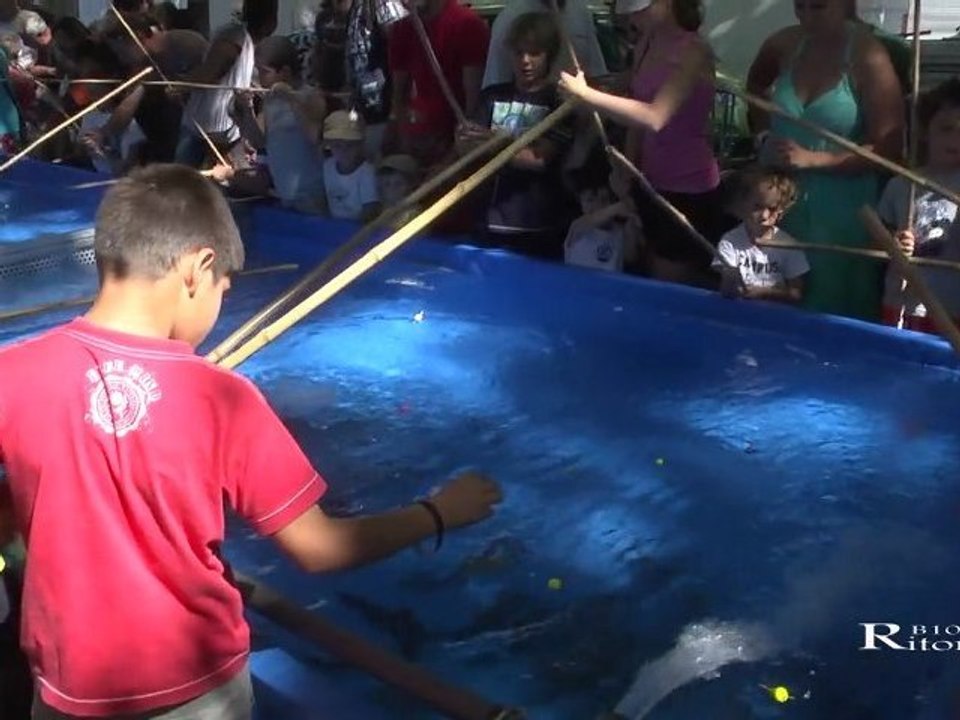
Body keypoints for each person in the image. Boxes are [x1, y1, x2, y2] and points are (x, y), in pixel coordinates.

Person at [0, 164, 502, 720]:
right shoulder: (221, 396)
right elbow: (320, 548)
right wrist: (439, 512)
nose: (217, 306)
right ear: (198, 267)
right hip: (196, 686)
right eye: (222, 289)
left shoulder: (12, 373)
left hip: (67, 689)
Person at [746, 0, 904, 321]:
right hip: (781, 207)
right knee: (774, 307)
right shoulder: (785, 43)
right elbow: (753, 88)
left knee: (834, 316)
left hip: (844, 213)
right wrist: (762, 135)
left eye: (818, 7)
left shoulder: (868, 56)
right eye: (799, 6)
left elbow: (890, 149)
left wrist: (816, 159)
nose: (806, 16)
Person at [559, 0, 732, 286]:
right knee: (641, 273)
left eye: (640, 9)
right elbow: (636, 112)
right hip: (648, 182)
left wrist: (587, 95)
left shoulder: (694, 52)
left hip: (687, 188)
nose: (633, 18)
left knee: (669, 284)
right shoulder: (646, 44)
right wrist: (626, 168)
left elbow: (655, 116)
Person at [460, 11, 574, 260]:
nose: (525, 61)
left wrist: (493, 142)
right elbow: (467, 149)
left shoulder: (560, 103)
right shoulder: (491, 95)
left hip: (537, 229)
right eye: (519, 52)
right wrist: (464, 140)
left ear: (549, 55)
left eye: (535, 53)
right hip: (487, 222)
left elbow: (538, 160)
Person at [877, 78, 960, 333]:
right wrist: (894, 243)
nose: (955, 139)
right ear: (925, 131)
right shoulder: (902, 184)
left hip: (951, 306)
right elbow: (879, 235)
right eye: (946, 129)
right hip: (903, 302)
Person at [175, 0, 278, 168]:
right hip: (205, 126)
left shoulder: (253, 44)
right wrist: (181, 85)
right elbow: (210, 72)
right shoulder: (234, 36)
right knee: (181, 183)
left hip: (226, 130)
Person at [386, 0, 490, 165]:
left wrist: (451, 159)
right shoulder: (403, 28)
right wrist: (404, 143)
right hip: (415, 142)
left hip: (451, 144)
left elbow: (474, 106)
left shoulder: (468, 25)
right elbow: (399, 96)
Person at [235, 35, 327, 213]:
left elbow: (314, 136)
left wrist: (291, 98)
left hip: (312, 193)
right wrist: (247, 110)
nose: (260, 79)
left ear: (284, 72)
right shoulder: (270, 101)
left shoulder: (311, 95)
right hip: (284, 193)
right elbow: (259, 142)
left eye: (264, 72)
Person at [713, 166, 809, 304]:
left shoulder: (789, 246)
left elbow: (796, 295)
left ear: (782, 210)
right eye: (757, 207)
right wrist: (730, 280)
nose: (764, 215)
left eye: (772, 209)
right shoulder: (730, 242)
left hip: (775, 317)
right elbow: (726, 292)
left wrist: (766, 293)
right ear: (743, 204)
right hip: (739, 313)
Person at [482, 0, 607, 90]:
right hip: (529, 118)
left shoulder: (581, 11)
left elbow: (596, 73)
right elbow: (496, 81)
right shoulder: (509, 17)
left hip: (576, 112)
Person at [564, 153, 644, 273]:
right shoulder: (577, 229)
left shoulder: (621, 232)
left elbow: (630, 257)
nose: (597, 206)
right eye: (590, 200)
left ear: (612, 200)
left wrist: (633, 222)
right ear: (580, 202)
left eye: (604, 199)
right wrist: (617, 208)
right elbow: (590, 221)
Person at [323, 109, 381, 221]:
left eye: (350, 145)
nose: (344, 151)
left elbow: (369, 212)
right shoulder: (327, 166)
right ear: (328, 145)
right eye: (337, 145)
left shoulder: (367, 173)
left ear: (360, 145)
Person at [377, 153, 422, 225]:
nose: (392, 189)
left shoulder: (412, 213)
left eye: (398, 184)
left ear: (411, 185)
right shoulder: (384, 208)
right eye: (387, 184)